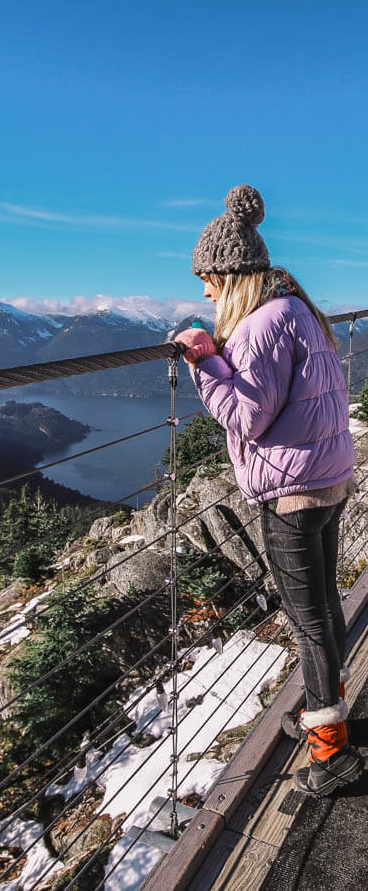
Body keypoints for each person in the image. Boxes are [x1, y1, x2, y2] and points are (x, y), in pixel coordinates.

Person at [175, 184, 363, 796]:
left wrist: (204, 362)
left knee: (308, 620)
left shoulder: (260, 324)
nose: (204, 289)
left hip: (290, 493)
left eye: (208, 277)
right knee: (324, 607)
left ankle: (329, 754)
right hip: (326, 478)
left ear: (231, 274)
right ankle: (320, 710)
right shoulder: (297, 309)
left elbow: (246, 416)